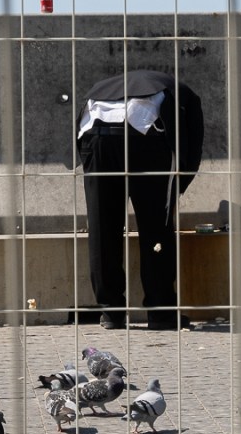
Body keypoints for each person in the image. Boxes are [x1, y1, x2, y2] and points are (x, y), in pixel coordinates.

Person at [77, 69, 204, 331]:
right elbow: (193, 143)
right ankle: (160, 312)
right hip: (146, 138)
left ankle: (111, 311)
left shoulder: (104, 86)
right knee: (156, 226)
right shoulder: (185, 96)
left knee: (102, 226)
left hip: (93, 134)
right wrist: (178, 186)